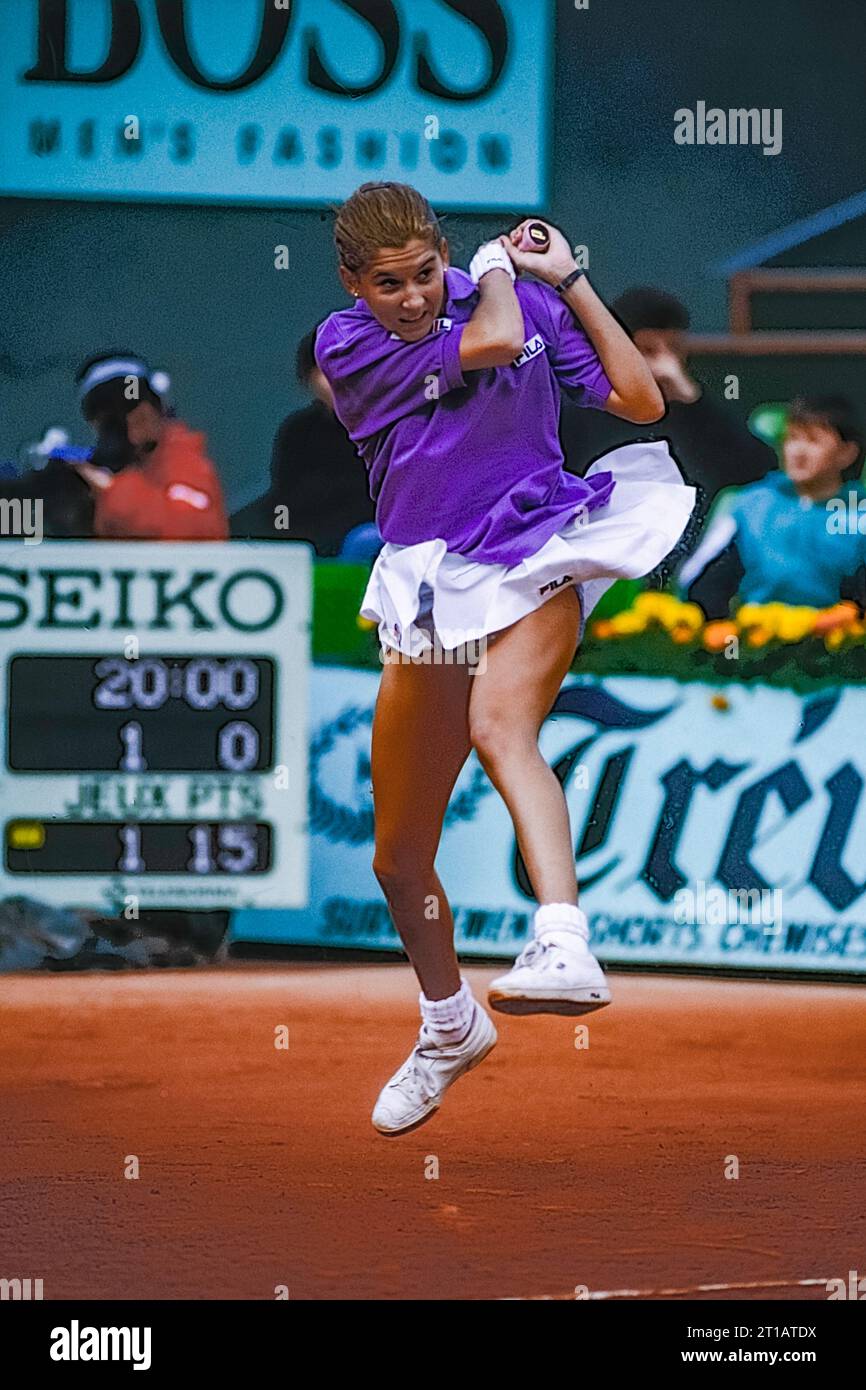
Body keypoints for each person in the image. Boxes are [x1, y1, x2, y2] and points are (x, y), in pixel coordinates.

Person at [315, 181, 695, 1137]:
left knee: (501, 724)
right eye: (388, 284)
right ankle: (449, 1025)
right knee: (400, 860)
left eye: (424, 273)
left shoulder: (520, 301)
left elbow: (640, 401)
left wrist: (569, 282)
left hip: (537, 544)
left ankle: (563, 937)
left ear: (443, 253)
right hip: (431, 582)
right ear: (354, 284)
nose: (411, 297)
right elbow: (481, 341)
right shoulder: (350, 345)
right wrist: (491, 271)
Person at [558, 286, 775, 557]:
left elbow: (757, 472)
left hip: (681, 560)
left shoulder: (692, 409)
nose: (664, 363)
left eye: (674, 349)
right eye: (648, 350)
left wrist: (692, 400)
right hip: (593, 552)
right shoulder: (580, 407)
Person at [681, 395, 866, 624]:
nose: (798, 451)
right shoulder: (750, 504)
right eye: (792, 438)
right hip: (758, 644)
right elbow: (700, 584)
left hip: (842, 648)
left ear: (847, 453)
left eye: (813, 440)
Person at [230, 329, 377, 553]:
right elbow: (285, 494)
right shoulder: (298, 429)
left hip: (365, 531)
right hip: (309, 527)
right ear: (308, 379)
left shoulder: (387, 425)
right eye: (323, 372)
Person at [73, 353, 228, 540]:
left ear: (159, 405)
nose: (128, 416)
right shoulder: (87, 477)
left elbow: (191, 529)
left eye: (133, 401)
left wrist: (112, 489)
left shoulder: (183, 460)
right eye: (106, 410)